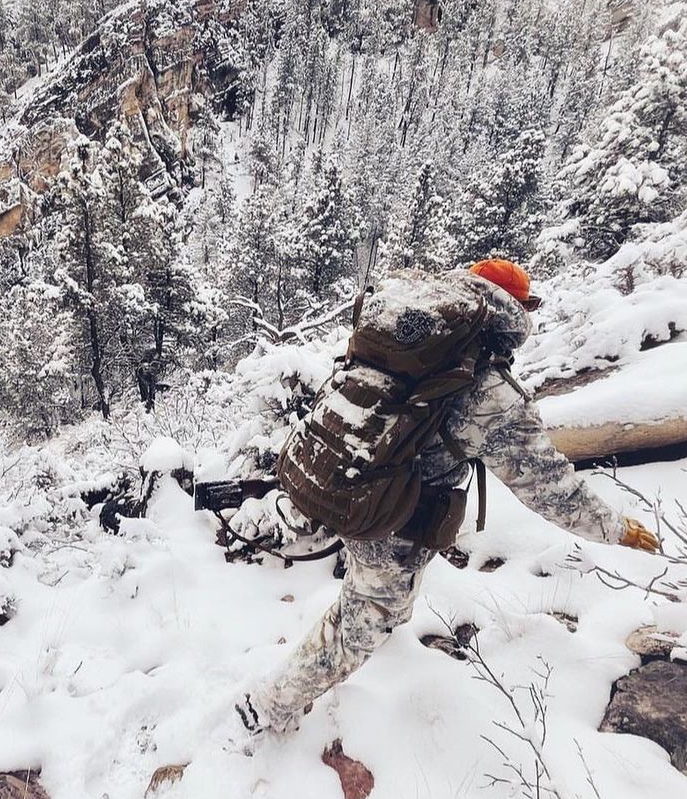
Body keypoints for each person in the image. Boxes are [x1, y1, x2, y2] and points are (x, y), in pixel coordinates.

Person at [236, 259, 660, 737]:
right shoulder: (490, 391)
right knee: (361, 625)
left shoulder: (411, 332)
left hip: (353, 478)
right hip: (389, 517)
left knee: (374, 602)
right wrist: (616, 529)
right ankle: (268, 704)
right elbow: (550, 487)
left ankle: (367, 627)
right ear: (516, 313)